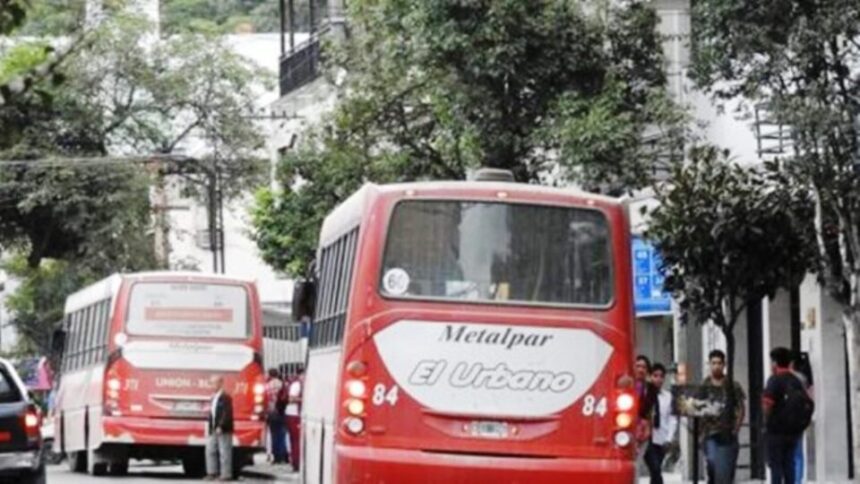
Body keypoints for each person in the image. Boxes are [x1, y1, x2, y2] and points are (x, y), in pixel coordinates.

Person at [763, 347, 813, 484]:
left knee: (776, 466)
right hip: (794, 431)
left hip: (776, 430)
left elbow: (768, 404)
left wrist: (766, 422)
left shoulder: (774, 380)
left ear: (774, 363)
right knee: (789, 463)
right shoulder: (797, 380)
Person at [701, 349, 745, 484]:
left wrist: (736, 428)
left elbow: (741, 408)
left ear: (724, 364)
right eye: (713, 363)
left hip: (728, 432)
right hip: (710, 433)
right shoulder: (704, 385)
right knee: (712, 462)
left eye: (719, 363)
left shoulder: (732, 385)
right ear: (709, 364)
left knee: (728, 468)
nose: (716, 366)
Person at [644, 363, 678, 484]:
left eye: (661, 376)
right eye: (655, 375)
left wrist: (669, 438)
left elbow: (672, 418)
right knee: (655, 469)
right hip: (646, 439)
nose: (658, 379)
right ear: (649, 376)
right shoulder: (644, 394)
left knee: (656, 471)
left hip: (661, 439)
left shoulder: (668, 396)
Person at [790, 352, 813, 484]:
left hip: (787, 419)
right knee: (797, 452)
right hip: (799, 418)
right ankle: (798, 480)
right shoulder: (803, 378)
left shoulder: (783, 378)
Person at [206, 376, 234, 481]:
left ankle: (225, 475)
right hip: (213, 427)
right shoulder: (213, 397)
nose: (212, 386)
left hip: (223, 428)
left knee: (224, 452)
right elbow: (212, 413)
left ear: (221, 383)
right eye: (211, 383)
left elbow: (226, 413)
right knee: (210, 450)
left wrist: (221, 425)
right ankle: (212, 472)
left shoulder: (225, 397)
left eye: (214, 383)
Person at [265, 369, 288, 464]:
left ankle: (277, 456)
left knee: (274, 435)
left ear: (269, 375)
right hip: (281, 411)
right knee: (282, 434)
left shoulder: (267, 385)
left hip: (271, 411)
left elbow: (265, 398)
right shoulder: (282, 384)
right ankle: (284, 455)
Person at [635, 355, 658, 443]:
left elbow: (651, 411)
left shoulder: (650, 389)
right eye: (638, 366)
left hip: (642, 428)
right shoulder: (627, 385)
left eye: (644, 367)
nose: (640, 370)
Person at [285, 368, 304, 472]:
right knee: (296, 440)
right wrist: (304, 398)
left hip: (299, 414)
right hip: (293, 414)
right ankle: (296, 462)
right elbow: (291, 398)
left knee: (298, 440)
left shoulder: (302, 384)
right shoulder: (296, 385)